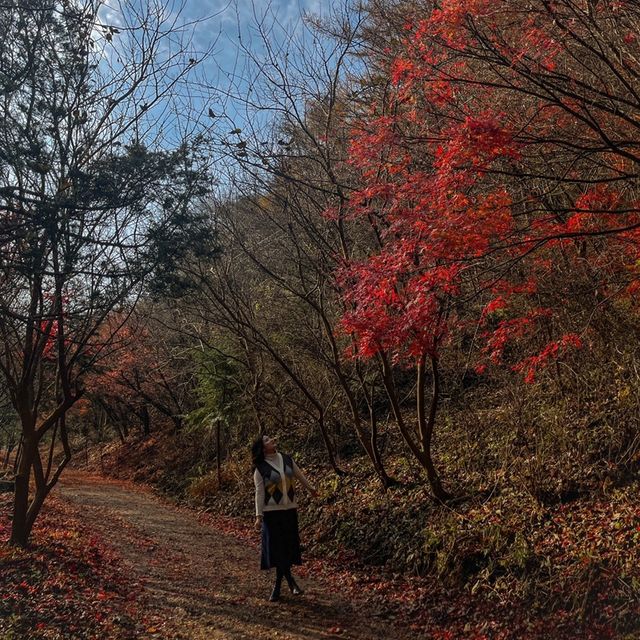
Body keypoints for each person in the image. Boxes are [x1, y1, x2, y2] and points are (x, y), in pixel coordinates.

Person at [252, 434, 318, 602]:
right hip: (272, 514)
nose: (271, 440)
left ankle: (282, 586)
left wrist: (310, 488)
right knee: (278, 550)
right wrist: (259, 516)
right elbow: (259, 493)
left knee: (287, 548)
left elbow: (298, 475)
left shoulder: (286, 459)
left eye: (270, 439)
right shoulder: (260, 468)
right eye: (266, 440)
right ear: (262, 447)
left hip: (289, 510)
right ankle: (287, 584)